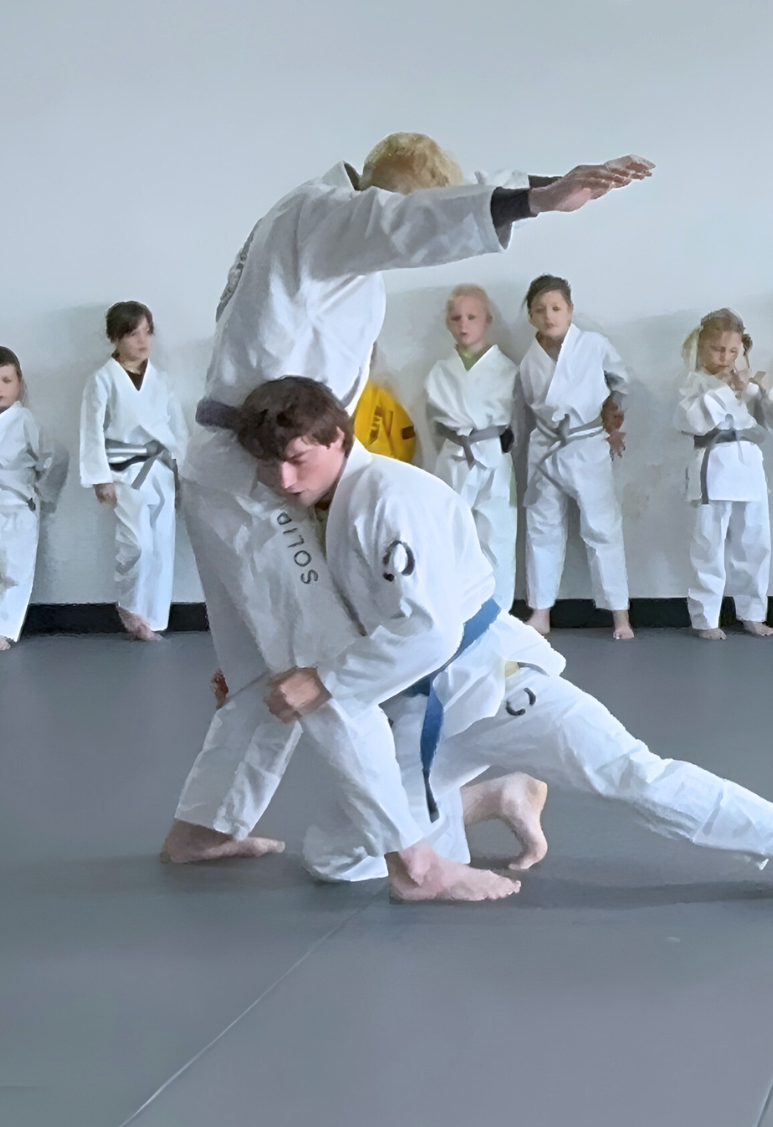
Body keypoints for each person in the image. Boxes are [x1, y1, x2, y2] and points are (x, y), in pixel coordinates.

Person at [159, 133, 652, 872]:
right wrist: (536, 199)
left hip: (231, 469)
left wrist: (540, 186)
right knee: (326, 669)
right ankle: (414, 861)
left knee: (258, 675)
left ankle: (205, 827)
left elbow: (428, 207)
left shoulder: (314, 222)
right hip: (260, 472)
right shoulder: (329, 215)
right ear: (384, 199)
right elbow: (407, 220)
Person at [235, 377, 773, 913]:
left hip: (498, 682)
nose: (285, 479)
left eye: (298, 458)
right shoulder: (326, 503)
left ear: (338, 438)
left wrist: (324, 680)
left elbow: (429, 629)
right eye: (271, 465)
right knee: (334, 855)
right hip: (421, 707)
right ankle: (497, 796)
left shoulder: (389, 500)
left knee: (636, 776)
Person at [517, 275, 634, 640]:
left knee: (603, 528)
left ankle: (620, 615)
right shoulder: (528, 361)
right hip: (546, 447)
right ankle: (540, 612)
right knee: (542, 528)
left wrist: (613, 417)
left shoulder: (593, 345)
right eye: (540, 310)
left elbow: (621, 382)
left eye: (556, 308)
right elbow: (526, 409)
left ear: (570, 311)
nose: (549, 316)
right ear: (531, 316)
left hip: (587, 443)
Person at [675, 309, 773, 639]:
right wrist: (726, 390)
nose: (725, 358)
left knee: (755, 544)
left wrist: (767, 390)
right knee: (709, 547)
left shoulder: (748, 386)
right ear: (701, 347)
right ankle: (706, 618)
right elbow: (694, 423)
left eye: (732, 351)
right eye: (717, 349)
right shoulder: (693, 384)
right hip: (713, 469)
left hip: (749, 470)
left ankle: (753, 613)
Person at [79, 301, 187, 641]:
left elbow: (177, 429)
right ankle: (130, 605)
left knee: (161, 545)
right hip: (125, 471)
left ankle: (153, 618)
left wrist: (183, 473)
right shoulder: (102, 380)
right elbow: (91, 431)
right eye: (132, 334)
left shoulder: (162, 380)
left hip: (161, 469)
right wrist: (100, 478)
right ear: (114, 337)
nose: (142, 341)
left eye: (147, 332)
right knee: (137, 544)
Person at [0, 347, 65, 651]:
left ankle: (1, 629)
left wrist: (41, 492)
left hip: (16, 503)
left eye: (6, 380)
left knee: (15, 569)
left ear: (20, 383)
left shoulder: (27, 422)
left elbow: (53, 459)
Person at [423, 284, 520, 613]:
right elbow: (435, 424)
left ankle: (499, 613)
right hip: (454, 457)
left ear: (487, 320)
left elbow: (516, 421)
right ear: (448, 323)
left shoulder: (507, 370)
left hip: (493, 456)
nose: (464, 325)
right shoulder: (439, 372)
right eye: (456, 318)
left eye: (472, 317)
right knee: (451, 535)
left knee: (497, 536)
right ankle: (455, 611)